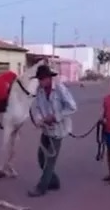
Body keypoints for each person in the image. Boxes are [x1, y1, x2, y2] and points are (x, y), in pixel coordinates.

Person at [28, 64, 77, 197]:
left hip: (58, 130)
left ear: (49, 78)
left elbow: (72, 107)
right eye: (39, 79)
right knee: (41, 158)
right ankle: (53, 181)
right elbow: (37, 107)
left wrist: (55, 117)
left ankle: (41, 187)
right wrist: (39, 119)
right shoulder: (40, 91)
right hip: (46, 129)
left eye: (43, 79)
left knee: (50, 159)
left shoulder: (60, 89)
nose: (41, 82)